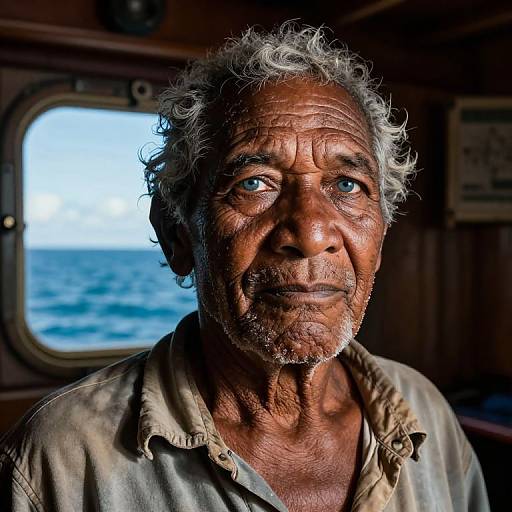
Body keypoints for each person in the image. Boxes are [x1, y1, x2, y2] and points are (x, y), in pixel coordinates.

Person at [0, 24, 490, 512]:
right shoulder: (60, 460)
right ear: (178, 234)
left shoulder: (425, 412)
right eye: (255, 183)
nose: (311, 233)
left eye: (347, 186)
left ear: (380, 237)